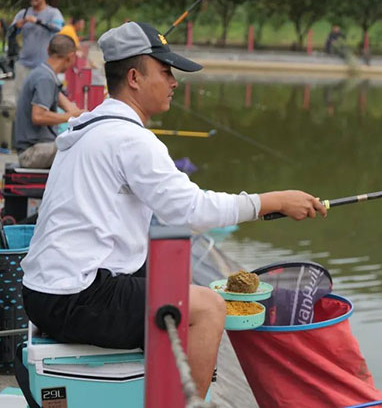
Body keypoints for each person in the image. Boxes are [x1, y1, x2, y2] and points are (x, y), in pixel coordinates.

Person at [20, 21, 327, 399]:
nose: (174, 82)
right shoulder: (130, 139)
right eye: (165, 71)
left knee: (177, 285)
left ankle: (152, 387)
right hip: (73, 297)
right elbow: (191, 210)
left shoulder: (92, 125)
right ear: (134, 77)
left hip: (46, 290)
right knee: (209, 309)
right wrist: (274, 201)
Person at [13, 34, 82, 168]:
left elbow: (72, 109)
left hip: (40, 148)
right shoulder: (45, 78)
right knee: (81, 147)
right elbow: (38, 116)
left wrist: (86, 115)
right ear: (71, 56)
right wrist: (69, 116)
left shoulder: (45, 73)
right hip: (32, 153)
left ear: (47, 49)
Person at [9, 0, 64, 102]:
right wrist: (17, 26)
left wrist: (38, 21)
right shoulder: (23, 13)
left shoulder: (53, 13)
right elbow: (10, 33)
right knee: (21, 100)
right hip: (23, 64)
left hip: (44, 65)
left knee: (42, 99)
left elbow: (58, 28)